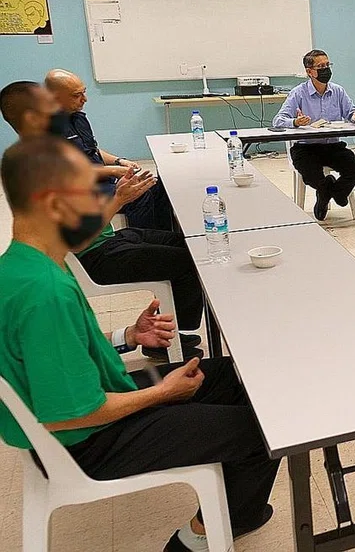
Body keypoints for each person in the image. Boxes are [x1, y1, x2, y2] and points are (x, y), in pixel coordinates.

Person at [0, 136, 280, 552]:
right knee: (266, 429)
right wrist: (161, 393)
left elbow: (47, 358)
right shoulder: (45, 293)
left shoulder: (23, 264)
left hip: (95, 404)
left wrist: (128, 337)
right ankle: (198, 538)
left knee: (235, 379)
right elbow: (68, 416)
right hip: (88, 442)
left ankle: (234, 499)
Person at [1, 81, 203, 362]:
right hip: (93, 256)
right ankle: (162, 340)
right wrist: (119, 199)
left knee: (190, 244)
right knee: (190, 262)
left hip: (107, 239)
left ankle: (171, 328)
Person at [45, 69, 174, 231]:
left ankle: (169, 237)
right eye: (76, 95)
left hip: (103, 182)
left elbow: (92, 149)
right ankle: (147, 239)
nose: (84, 99)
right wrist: (113, 171)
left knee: (158, 186)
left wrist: (119, 161)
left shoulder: (76, 117)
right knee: (140, 195)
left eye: (83, 93)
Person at [272, 49, 355, 221]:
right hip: (306, 148)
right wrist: (294, 122)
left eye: (327, 65)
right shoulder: (298, 93)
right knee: (312, 176)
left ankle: (329, 194)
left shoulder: (338, 91)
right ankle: (328, 191)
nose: (325, 69)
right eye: (320, 66)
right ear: (309, 72)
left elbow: (351, 113)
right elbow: (278, 120)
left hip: (333, 146)